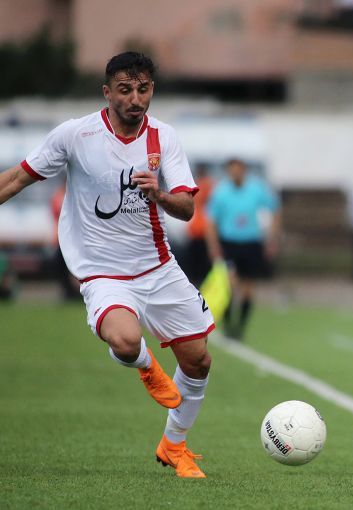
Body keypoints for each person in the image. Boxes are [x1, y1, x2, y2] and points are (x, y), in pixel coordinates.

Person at [0, 52, 213, 478]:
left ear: (151, 90)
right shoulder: (75, 135)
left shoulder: (164, 138)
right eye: (125, 89)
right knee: (126, 341)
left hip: (158, 267)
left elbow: (187, 207)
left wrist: (159, 194)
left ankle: (174, 445)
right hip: (102, 271)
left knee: (199, 361)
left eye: (143, 89)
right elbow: (16, 179)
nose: (135, 99)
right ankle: (147, 368)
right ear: (107, 92)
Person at [206, 159, 281, 340]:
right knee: (229, 284)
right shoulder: (221, 192)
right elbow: (211, 221)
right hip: (229, 243)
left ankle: (240, 326)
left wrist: (272, 238)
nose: (235, 174)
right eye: (232, 170)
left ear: (244, 170)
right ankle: (228, 324)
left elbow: (275, 208)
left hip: (251, 243)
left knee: (248, 287)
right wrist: (213, 245)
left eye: (238, 170)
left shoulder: (256, 189)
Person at [180, 162, 214, 287]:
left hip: (200, 231)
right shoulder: (209, 186)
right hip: (198, 231)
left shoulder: (202, 186)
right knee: (200, 267)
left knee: (197, 268)